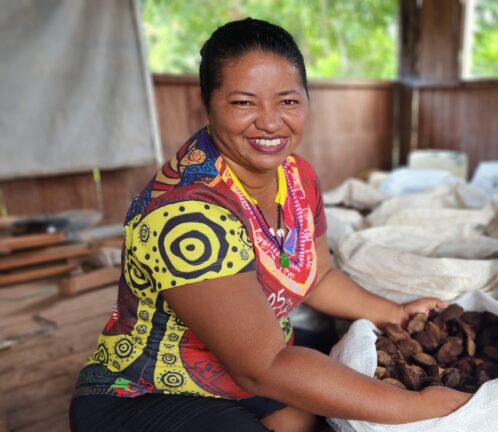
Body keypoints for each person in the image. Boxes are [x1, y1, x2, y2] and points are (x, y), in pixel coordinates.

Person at [69, 18, 471, 432]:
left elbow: (316, 277)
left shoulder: (296, 177)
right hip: (147, 397)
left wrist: (397, 313)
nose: (270, 122)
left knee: (332, 398)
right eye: (244, 103)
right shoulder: (186, 214)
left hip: (248, 372)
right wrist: (418, 406)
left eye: (288, 102)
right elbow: (263, 367)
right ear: (206, 103)